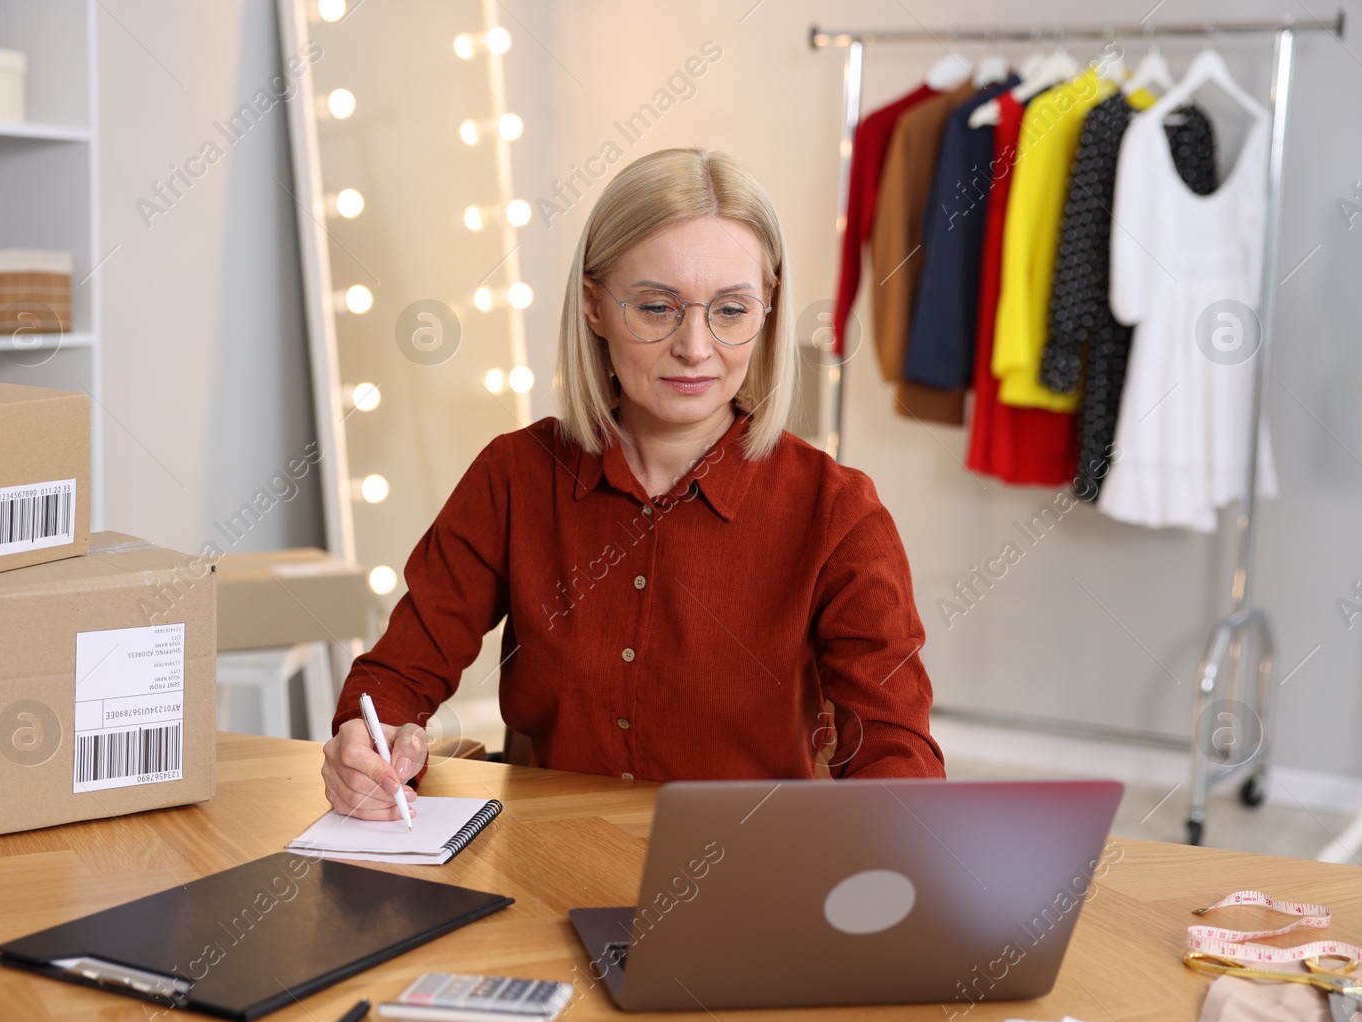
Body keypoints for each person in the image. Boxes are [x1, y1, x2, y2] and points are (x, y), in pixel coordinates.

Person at [321, 147, 944, 822]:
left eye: (731, 311)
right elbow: (396, 676)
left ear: (767, 310)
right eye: (656, 307)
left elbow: (892, 748)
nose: (695, 347)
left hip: (741, 885)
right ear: (594, 306)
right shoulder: (514, 476)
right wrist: (367, 743)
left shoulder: (837, 511)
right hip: (542, 868)